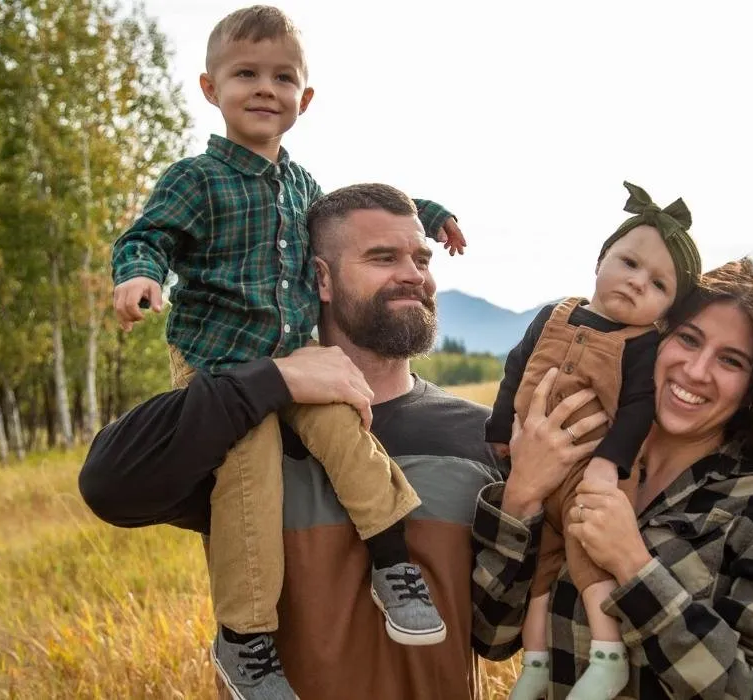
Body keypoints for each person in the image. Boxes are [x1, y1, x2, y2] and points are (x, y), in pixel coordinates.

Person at [108, 7, 465, 698]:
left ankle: (393, 566)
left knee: (348, 430)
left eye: (282, 77)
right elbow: (148, 235)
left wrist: (427, 210)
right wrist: (140, 274)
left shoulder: (302, 187)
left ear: (304, 99)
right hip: (220, 366)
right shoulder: (197, 181)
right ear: (211, 88)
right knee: (249, 473)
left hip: (299, 360)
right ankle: (246, 640)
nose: (264, 88)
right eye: (246, 74)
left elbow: (352, 211)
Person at [82, 183, 552, 700]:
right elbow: (108, 485)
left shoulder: (479, 437)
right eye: (383, 257)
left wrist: (526, 498)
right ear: (320, 279)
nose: (414, 274)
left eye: (421, 258)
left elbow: (496, 635)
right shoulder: (245, 432)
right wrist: (267, 384)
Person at [472, 259, 753, 699]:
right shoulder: (570, 464)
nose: (696, 371)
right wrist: (522, 495)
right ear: (652, 337)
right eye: (688, 339)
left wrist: (635, 567)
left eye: (730, 361)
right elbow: (492, 635)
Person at [485, 182, 701, 699]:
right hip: (530, 465)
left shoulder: (642, 344)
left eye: (657, 284)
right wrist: (498, 433)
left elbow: (636, 411)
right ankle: (536, 663)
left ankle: (607, 658)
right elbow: (516, 369)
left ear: (666, 313)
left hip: (586, 470)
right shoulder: (554, 313)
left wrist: (609, 463)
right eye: (628, 263)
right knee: (541, 566)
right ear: (601, 259)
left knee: (587, 557)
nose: (635, 282)